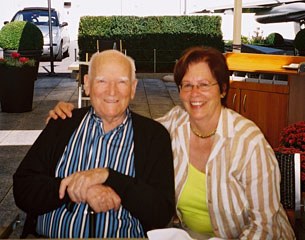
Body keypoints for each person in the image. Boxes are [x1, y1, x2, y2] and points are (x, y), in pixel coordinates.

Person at [47, 46, 295, 239]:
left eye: (204, 85)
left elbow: (265, 227)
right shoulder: (172, 126)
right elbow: (129, 128)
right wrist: (67, 114)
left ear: (222, 89)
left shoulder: (248, 141)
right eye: (186, 85)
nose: (194, 94)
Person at [13, 50, 175, 238]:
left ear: (133, 88)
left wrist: (109, 177)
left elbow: (161, 213)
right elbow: (23, 188)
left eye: (122, 82)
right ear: (87, 84)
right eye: (102, 81)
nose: (111, 91)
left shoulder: (153, 136)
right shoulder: (62, 123)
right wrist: (78, 189)